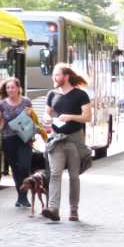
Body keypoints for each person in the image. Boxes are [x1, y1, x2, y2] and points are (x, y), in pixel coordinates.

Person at [42, 62, 92, 222]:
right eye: (54, 75)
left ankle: (73, 210)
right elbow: (45, 115)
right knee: (55, 174)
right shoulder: (51, 94)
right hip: (57, 139)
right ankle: (53, 209)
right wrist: (48, 118)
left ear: (66, 76)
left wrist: (70, 116)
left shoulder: (81, 95)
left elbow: (87, 117)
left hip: (74, 139)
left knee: (73, 176)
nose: (54, 77)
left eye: (57, 74)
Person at [0, 77, 34, 208]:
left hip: (24, 138)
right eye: (8, 88)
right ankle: (21, 197)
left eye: (12, 87)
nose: (10, 90)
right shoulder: (2, 104)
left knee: (24, 166)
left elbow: (32, 118)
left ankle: (23, 196)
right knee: (15, 169)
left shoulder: (26, 101)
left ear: (18, 88)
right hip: (8, 139)